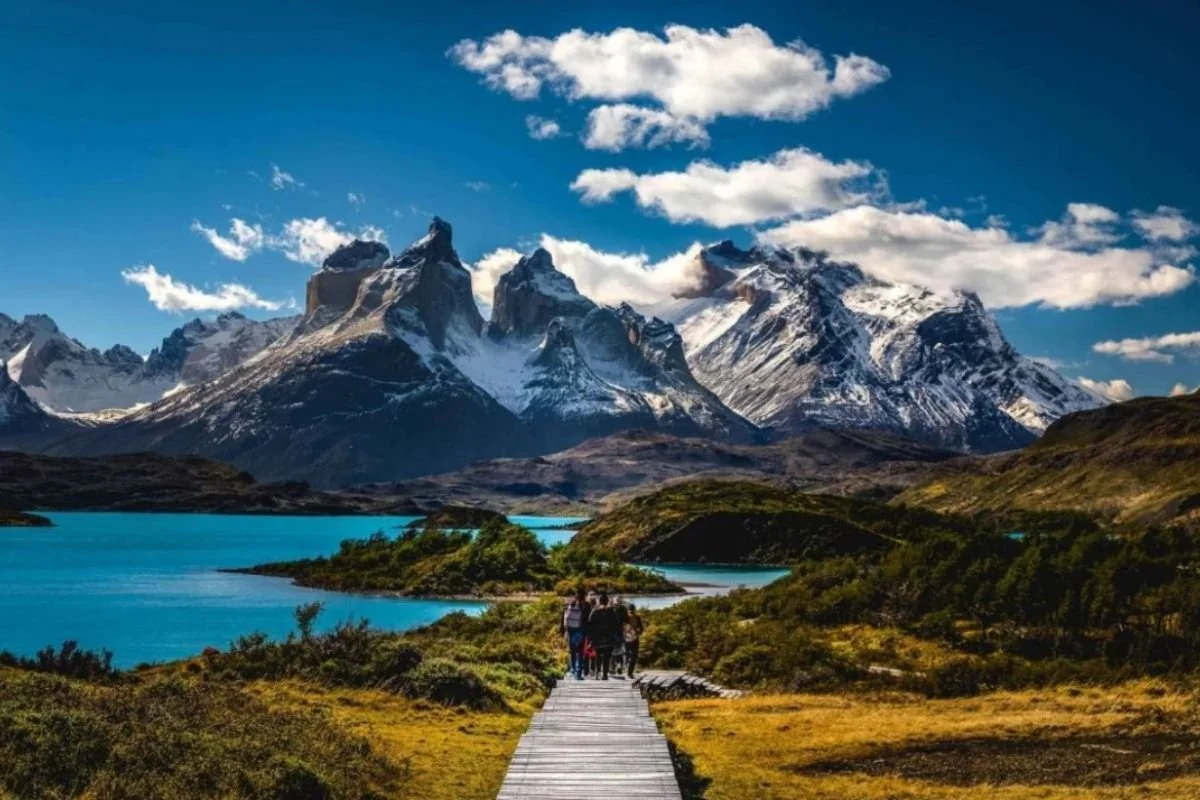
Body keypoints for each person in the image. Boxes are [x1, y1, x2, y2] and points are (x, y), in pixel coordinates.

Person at [587, 592, 621, 680]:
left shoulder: (594, 610)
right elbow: (616, 625)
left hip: (597, 638)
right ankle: (605, 674)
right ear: (607, 601)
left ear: (600, 601)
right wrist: (617, 638)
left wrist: (590, 638)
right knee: (607, 656)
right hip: (608, 638)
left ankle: (597, 672)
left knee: (598, 654)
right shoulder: (611, 611)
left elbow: (590, 624)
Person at [560, 589, 589, 680]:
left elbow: (564, 616)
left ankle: (572, 670)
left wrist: (563, 629)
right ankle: (578, 673)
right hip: (581, 630)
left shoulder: (570, 603)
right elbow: (588, 619)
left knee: (572, 651)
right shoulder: (586, 605)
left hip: (570, 630)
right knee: (580, 652)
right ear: (584, 596)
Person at [623, 603, 644, 678]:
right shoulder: (637, 617)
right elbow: (641, 628)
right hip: (634, 638)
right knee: (633, 655)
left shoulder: (625, 617)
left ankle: (627, 670)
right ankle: (629, 672)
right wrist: (637, 632)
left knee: (627, 654)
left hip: (626, 638)